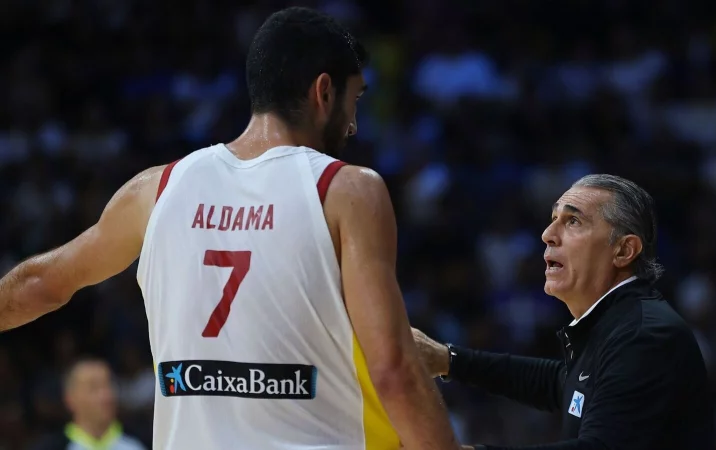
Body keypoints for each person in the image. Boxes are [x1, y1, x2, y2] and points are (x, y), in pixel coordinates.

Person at [0, 7, 460, 450]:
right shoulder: (347, 191)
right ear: (323, 92)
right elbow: (394, 368)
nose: (355, 123)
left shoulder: (156, 189)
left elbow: (41, 284)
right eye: (355, 99)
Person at [413, 174, 716, 450]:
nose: (547, 234)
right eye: (553, 219)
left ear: (623, 251)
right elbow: (559, 382)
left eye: (573, 222)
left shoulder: (644, 335)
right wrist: (448, 359)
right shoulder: (616, 323)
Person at [28, 358, 147, 450]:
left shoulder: (143, 441)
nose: (106, 395)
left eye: (109, 385)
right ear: (70, 399)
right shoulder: (50, 447)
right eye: (94, 388)